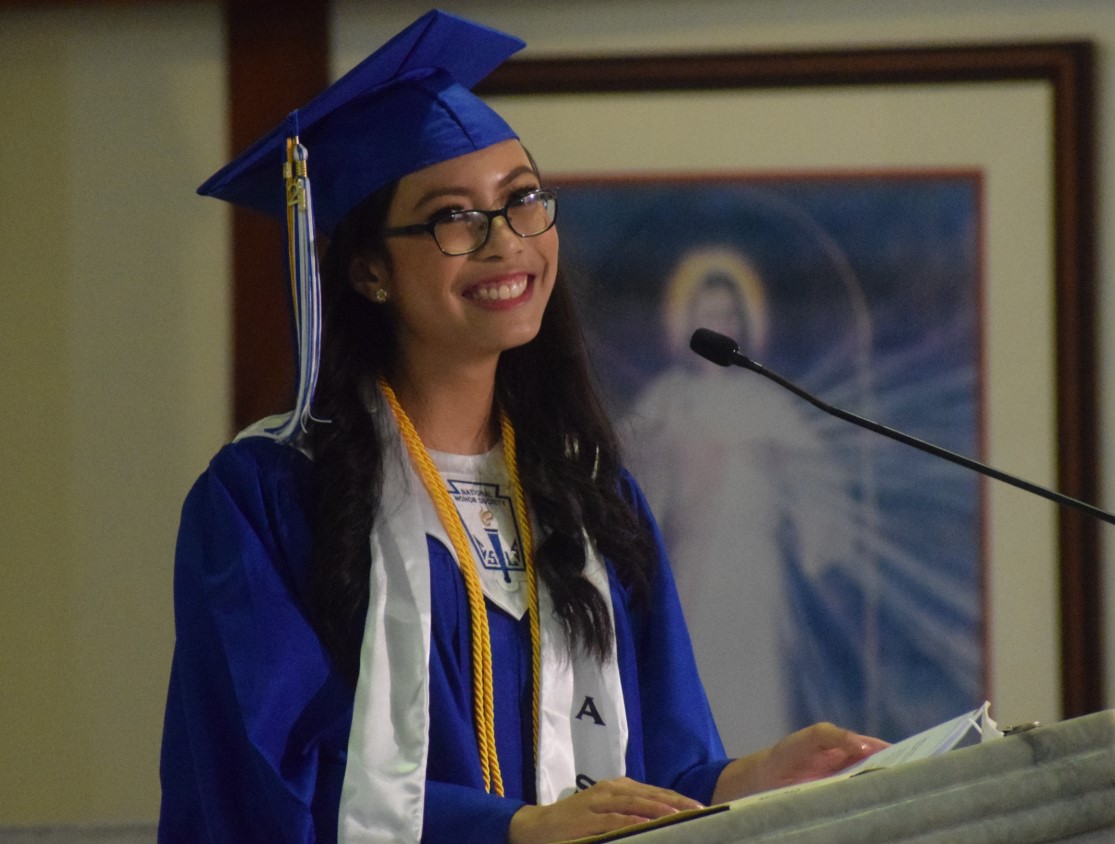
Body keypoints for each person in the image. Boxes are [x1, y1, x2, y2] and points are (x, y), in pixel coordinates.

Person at [158, 11, 885, 844]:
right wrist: (512, 830)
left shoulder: (587, 496)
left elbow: (651, 775)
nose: (506, 243)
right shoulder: (267, 497)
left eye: (522, 200)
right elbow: (261, 783)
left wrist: (752, 779)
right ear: (368, 271)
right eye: (452, 217)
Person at [625, 246, 860, 754]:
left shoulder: (765, 400)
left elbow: (816, 479)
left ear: (745, 321)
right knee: (696, 688)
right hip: (692, 568)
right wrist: (680, 462)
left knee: (756, 697)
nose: (721, 322)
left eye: (728, 314)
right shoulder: (667, 401)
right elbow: (629, 484)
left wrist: (781, 465)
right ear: (687, 322)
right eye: (708, 314)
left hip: (753, 572)